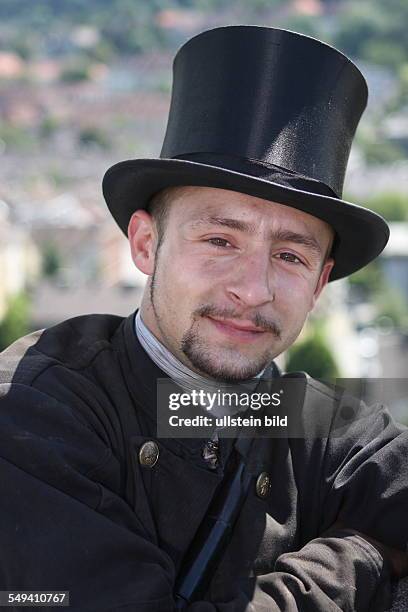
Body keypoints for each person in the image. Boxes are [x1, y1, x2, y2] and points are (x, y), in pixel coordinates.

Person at [0, 25, 407, 612]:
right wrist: (359, 560)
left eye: (291, 256)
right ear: (145, 245)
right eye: (219, 239)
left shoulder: (289, 413)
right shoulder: (37, 406)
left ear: (319, 283)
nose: (253, 289)